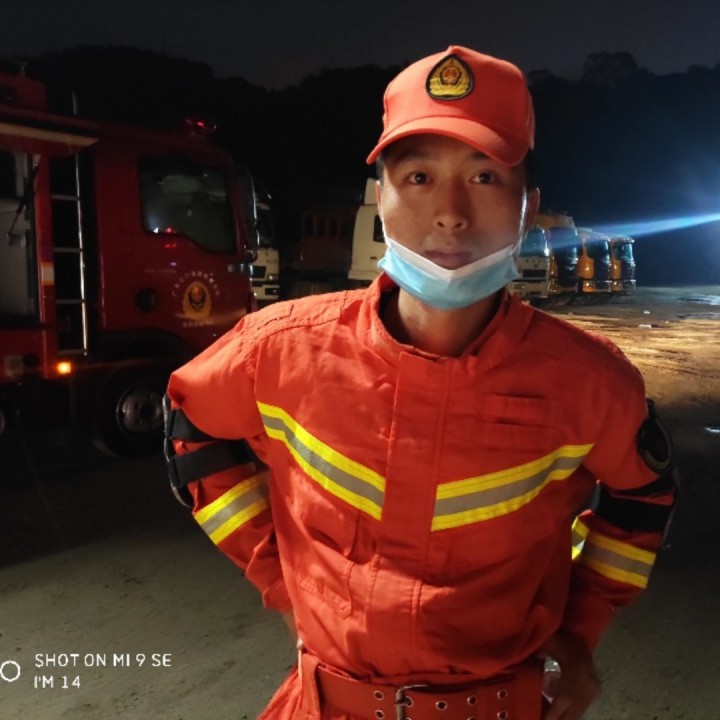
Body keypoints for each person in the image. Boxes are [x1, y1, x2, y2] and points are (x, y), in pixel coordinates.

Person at [164, 45, 676, 720]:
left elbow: (644, 496)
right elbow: (191, 425)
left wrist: (580, 629)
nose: (450, 213)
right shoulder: (280, 350)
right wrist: (280, 581)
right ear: (381, 199)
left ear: (529, 208)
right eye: (418, 177)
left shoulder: (590, 382)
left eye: (485, 177)